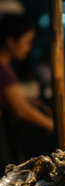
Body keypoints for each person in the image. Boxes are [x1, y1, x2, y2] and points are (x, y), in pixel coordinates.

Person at [0, 15, 58, 164]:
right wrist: (55, 125)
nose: (29, 47)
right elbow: (22, 110)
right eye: (27, 42)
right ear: (11, 41)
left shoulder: (7, 67)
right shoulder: (2, 70)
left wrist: (35, 103)